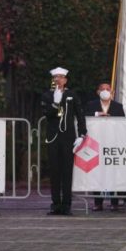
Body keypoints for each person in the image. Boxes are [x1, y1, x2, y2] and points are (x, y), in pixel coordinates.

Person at [40, 67, 86, 216]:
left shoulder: (71, 95)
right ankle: (55, 204)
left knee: (67, 171)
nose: (58, 80)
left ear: (65, 80)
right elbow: (47, 113)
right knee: (54, 171)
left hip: (68, 137)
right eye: (56, 77)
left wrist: (82, 134)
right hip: (53, 136)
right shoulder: (47, 95)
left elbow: (80, 114)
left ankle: (66, 204)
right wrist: (55, 103)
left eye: (61, 77)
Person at [85, 82, 125, 211]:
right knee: (98, 173)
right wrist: (97, 115)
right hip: (96, 143)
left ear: (112, 92)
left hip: (113, 143)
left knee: (113, 172)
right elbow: (84, 118)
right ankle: (98, 202)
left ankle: (114, 202)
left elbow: (122, 125)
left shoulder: (118, 107)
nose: (105, 91)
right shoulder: (91, 105)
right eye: (103, 89)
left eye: (108, 89)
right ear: (98, 92)